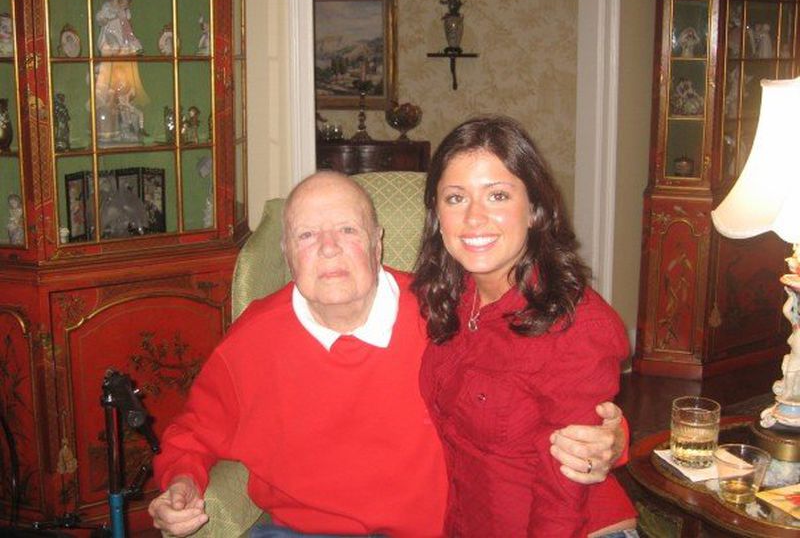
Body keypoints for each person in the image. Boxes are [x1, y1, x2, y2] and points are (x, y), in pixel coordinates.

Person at [149, 171, 629, 537]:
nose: (330, 249)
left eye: (348, 231)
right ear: (286, 252)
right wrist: (180, 483)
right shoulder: (252, 339)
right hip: (301, 530)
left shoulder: (445, 314)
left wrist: (610, 435)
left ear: (377, 244)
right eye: (307, 236)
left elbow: (546, 385)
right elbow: (193, 435)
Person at [412, 116, 637, 537]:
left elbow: (561, 497)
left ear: (534, 209)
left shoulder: (576, 325)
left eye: (497, 195)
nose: (474, 218)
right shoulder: (446, 295)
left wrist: (616, 438)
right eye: (456, 198)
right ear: (437, 216)